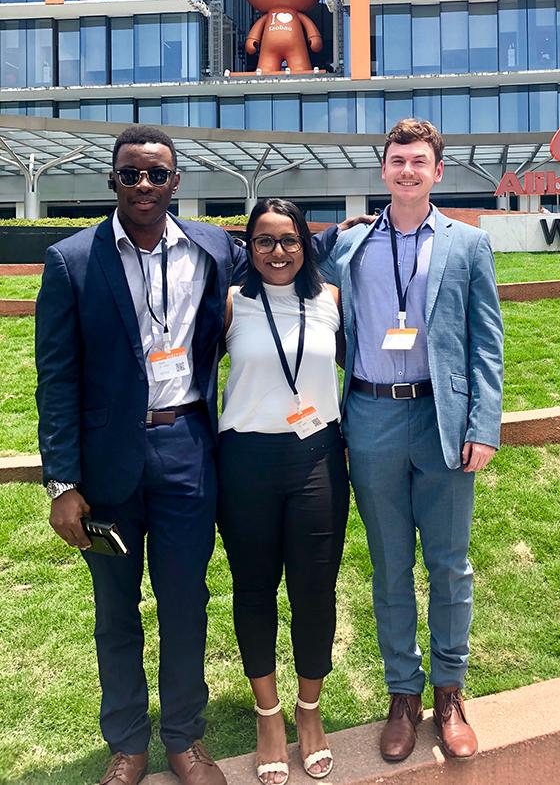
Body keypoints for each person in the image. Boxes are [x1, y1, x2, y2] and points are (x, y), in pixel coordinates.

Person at [35, 126, 365, 785]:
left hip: (188, 451)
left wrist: (333, 235)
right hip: (108, 470)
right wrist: (61, 483)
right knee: (115, 611)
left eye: (157, 174)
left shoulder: (211, 246)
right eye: (131, 174)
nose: (145, 186)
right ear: (113, 181)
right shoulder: (72, 260)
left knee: (186, 602)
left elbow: (280, 250)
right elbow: (55, 377)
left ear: (175, 182)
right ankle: (127, 746)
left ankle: (185, 739)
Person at [319, 118, 504, 763]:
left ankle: (450, 690)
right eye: (396, 160)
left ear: (437, 171)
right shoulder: (351, 245)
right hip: (369, 415)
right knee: (389, 565)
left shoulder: (466, 245)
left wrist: (484, 424)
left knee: (449, 564)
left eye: (418, 161)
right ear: (383, 170)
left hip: (441, 419)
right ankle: (404, 694)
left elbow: (488, 342)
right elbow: (279, 258)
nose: (406, 171)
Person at [216, 199, 348, 785]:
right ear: (249, 246)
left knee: (315, 591)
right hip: (245, 461)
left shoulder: (330, 302)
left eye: (289, 239)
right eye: (264, 240)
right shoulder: (230, 304)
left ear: (306, 244)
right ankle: (269, 718)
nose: (278, 251)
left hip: (316, 456)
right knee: (254, 589)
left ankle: (309, 712)